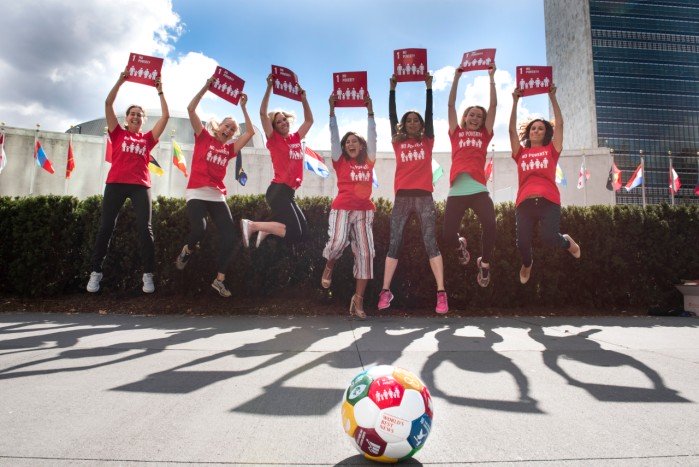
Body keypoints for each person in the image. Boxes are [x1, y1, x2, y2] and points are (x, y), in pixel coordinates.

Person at [86, 71, 169, 293]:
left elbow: (166, 116)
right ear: (126, 118)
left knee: (145, 228)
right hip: (115, 183)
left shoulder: (147, 139)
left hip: (141, 185)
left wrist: (160, 90)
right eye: (132, 113)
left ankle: (148, 275)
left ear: (143, 120)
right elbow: (108, 102)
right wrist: (121, 81)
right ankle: (95, 272)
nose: (135, 116)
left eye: (139, 114)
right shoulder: (117, 134)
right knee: (106, 227)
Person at [173, 78, 255, 297]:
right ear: (219, 126)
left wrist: (244, 107)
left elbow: (250, 134)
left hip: (217, 195)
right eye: (227, 126)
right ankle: (186, 250)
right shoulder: (203, 137)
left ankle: (220, 280)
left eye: (233, 130)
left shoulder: (229, 150)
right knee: (200, 229)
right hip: (197, 192)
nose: (229, 130)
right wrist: (206, 88)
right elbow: (191, 109)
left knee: (231, 237)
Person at [378, 74, 448, 314]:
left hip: (424, 196)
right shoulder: (398, 143)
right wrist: (392, 89)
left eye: (416, 120)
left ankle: (441, 292)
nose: (412, 122)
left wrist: (429, 88)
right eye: (408, 120)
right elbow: (391, 117)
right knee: (394, 242)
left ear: (421, 125)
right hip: (402, 197)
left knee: (430, 242)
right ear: (403, 125)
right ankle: (385, 291)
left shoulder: (427, 141)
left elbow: (430, 114)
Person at [508, 84, 580, 284]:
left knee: (549, 238)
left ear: (545, 132)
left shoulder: (551, 150)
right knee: (522, 243)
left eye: (540, 128)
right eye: (533, 128)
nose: (536, 130)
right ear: (529, 132)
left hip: (549, 201)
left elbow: (561, 126)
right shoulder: (520, 153)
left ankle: (567, 243)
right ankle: (527, 264)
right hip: (524, 203)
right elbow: (511, 132)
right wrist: (515, 102)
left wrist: (552, 97)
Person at [240, 73, 313, 248]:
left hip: (289, 193)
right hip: (278, 191)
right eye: (278, 121)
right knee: (294, 232)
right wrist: (269, 88)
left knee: (303, 234)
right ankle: (253, 225)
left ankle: (267, 229)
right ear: (273, 126)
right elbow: (262, 114)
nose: (282, 123)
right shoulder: (274, 140)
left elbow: (309, 120)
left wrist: (304, 100)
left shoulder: (296, 138)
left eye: (284, 119)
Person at [322, 94, 376, 319]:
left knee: (366, 253)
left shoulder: (369, 159)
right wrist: (332, 112)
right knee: (338, 242)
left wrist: (370, 111)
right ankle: (330, 265)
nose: (350, 144)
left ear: (362, 145)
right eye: (348, 142)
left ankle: (358, 300)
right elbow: (334, 138)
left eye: (355, 141)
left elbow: (374, 135)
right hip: (342, 207)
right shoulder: (340, 160)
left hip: (364, 211)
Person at [443, 65, 497, 287]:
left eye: (479, 116)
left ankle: (484, 264)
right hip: (457, 190)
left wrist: (491, 77)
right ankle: (460, 246)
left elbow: (493, 105)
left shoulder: (485, 135)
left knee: (491, 225)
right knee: (447, 236)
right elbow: (450, 105)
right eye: (471, 114)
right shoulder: (456, 133)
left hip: (478, 190)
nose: (475, 118)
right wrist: (456, 78)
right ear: (464, 118)